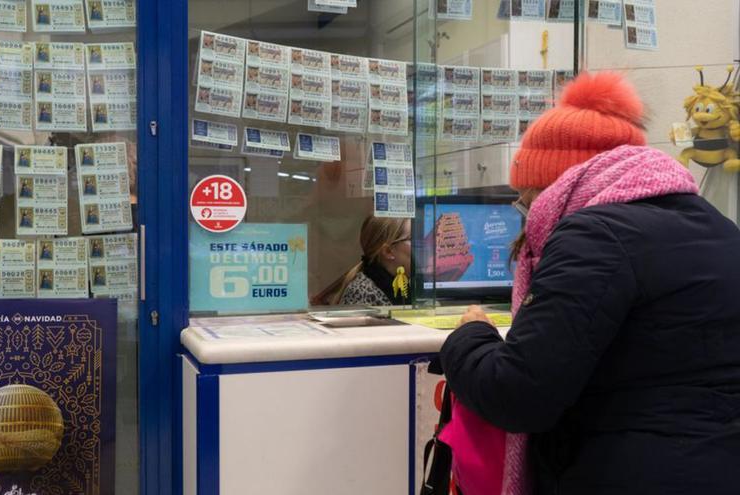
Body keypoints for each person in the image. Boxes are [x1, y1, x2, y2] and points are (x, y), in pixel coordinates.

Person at [438, 72, 740, 495]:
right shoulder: (716, 226)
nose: (525, 214)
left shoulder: (593, 236)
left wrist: (471, 335)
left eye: (525, 198)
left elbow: (519, 395)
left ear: (557, 187)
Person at [312, 215, 411, 306]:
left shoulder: (409, 284)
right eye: (412, 239)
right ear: (388, 251)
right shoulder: (362, 293)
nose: (423, 246)